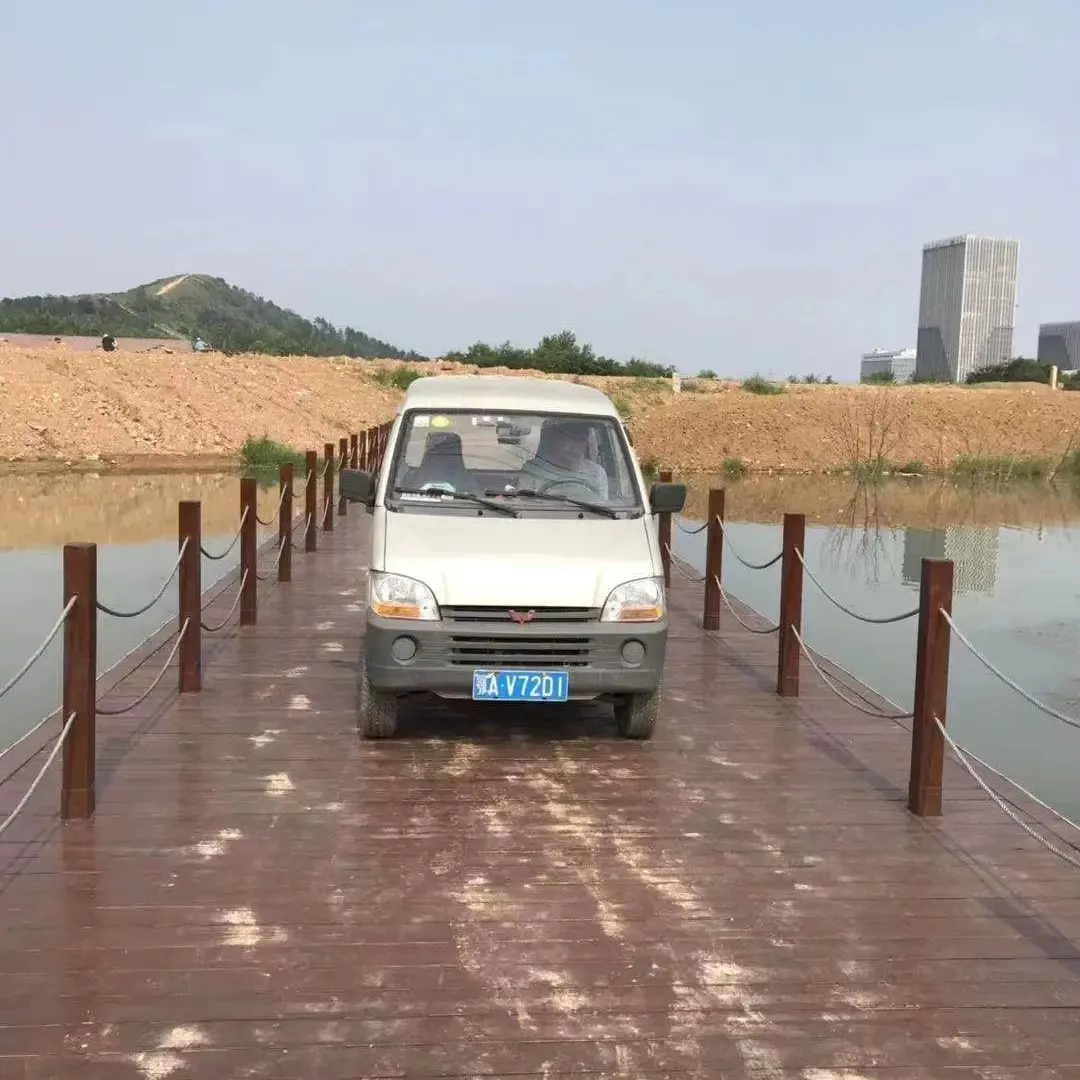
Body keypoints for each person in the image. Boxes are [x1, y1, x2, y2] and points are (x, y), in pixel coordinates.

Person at [520, 419, 609, 500]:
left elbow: (603, 509)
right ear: (556, 441)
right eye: (569, 439)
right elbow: (523, 505)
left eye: (581, 440)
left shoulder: (596, 473)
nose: (576, 448)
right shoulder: (533, 469)